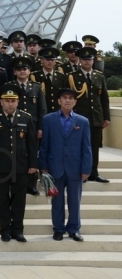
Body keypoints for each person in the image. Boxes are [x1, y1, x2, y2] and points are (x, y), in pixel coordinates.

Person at [0, 84, 37, 242]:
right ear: (1, 102)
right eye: (7, 100)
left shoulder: (26, 118)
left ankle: (18, 230)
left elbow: (32, 143)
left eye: (13, 100)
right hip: (0, 166)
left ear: (18, 101)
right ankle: (5, 229)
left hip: (21, 165)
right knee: (2, 199)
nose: (10, 104)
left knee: (19, 200)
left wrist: (33, 164)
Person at [38, 88, 92, 242]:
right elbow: (45, 145)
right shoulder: (49, 119)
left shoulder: (83, 121)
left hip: (75, 167)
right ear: (58, 101)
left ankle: (74, 229)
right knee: (57, 201)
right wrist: (43, 166)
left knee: (75, 200)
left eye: (70, 98)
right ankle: (58, 229)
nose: (67, 100)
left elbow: (86, 147)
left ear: (75, 101)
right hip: (55, 167)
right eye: (64, 98)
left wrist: (86, 168)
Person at [68, 47, 111, 183]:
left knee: (94, 147)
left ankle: (93, 172)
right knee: (78, 146)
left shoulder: (99, 76)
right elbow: (68, 98)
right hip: (79, 117)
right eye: (85, 59)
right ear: (80, 61)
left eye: (90, 59)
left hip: (95, 117)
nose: (87, 62)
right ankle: (81, 173)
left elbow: (104, 98)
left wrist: (106, 117)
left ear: (93, 61)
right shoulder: (72, 77)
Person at [11, 57, 47, 195]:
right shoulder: (10, 87)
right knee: (17, 153)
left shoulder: (36, 87)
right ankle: (16, 181)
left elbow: (42, 109)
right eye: (19, 69)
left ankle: (31, 184)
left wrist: (41, 128)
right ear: (14, 72)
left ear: (29, 71)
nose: (22, 72)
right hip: (15, 125)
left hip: (33, 126)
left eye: (24, 69)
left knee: (33, 153)